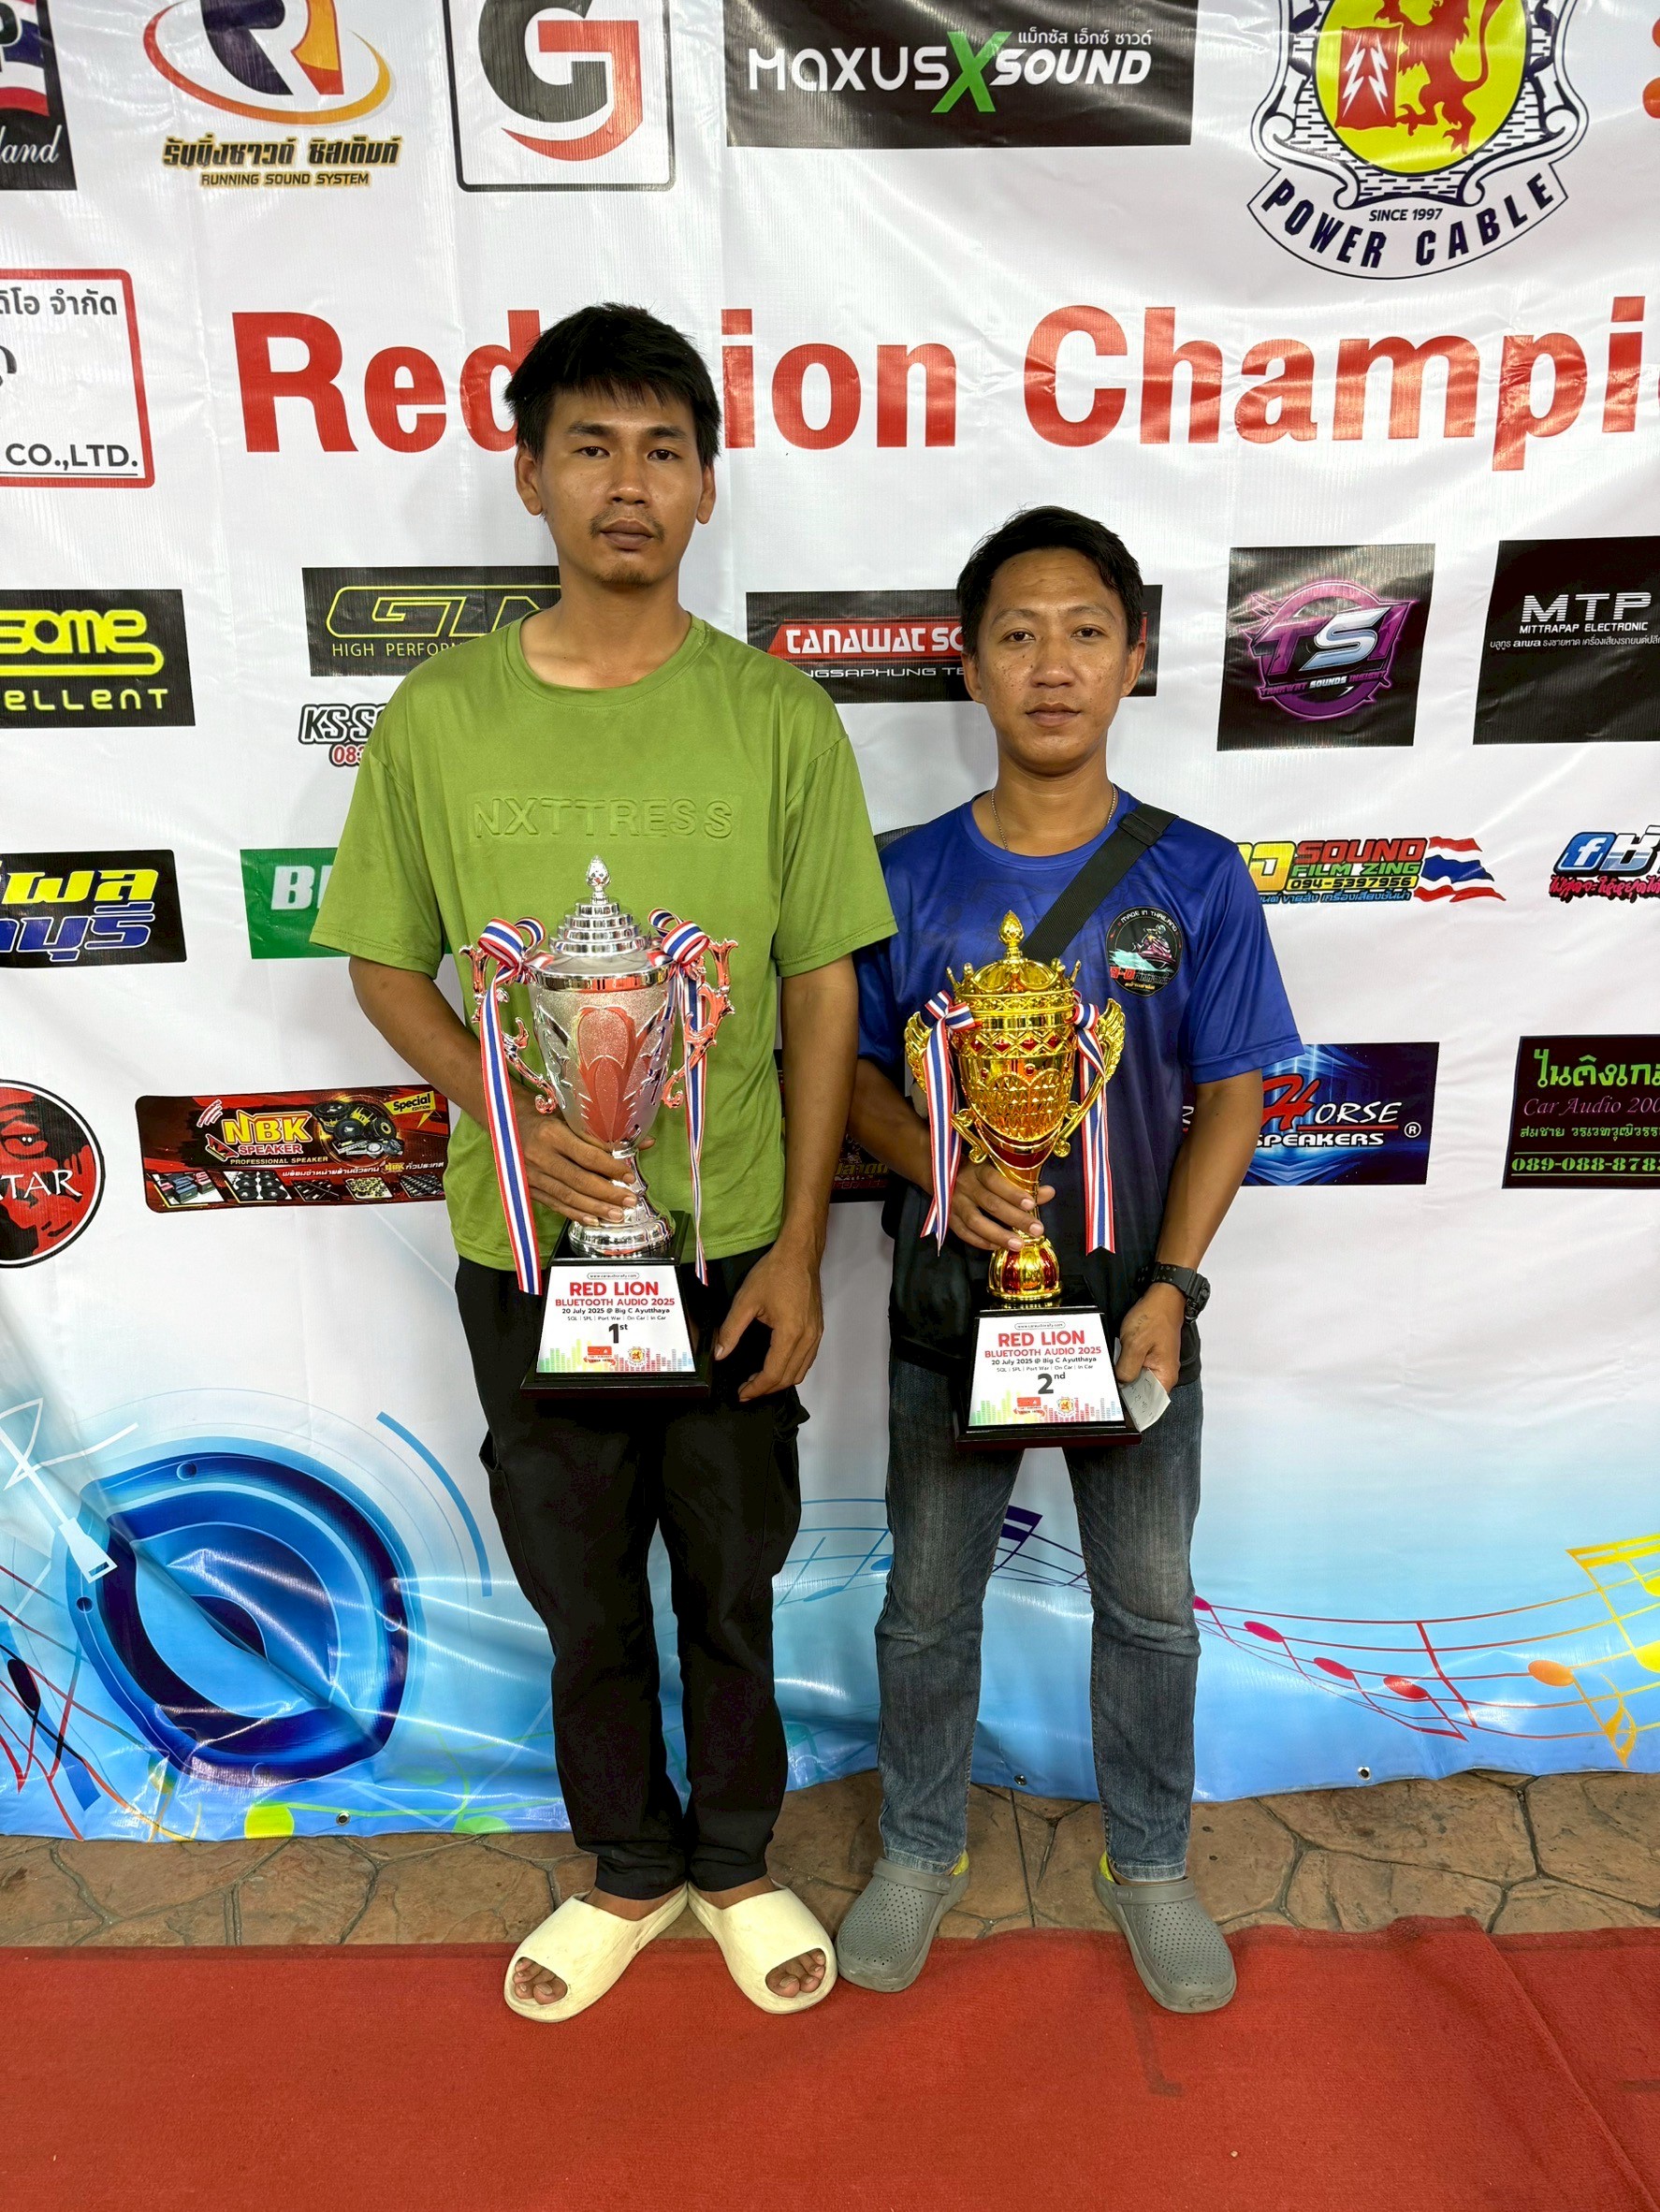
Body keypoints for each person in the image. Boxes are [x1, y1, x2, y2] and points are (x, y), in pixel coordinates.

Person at [313, 303, 894, 2022]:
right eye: (589, 447)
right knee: (580, 1588)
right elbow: (383, 966)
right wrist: (513, 1116)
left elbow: (822, 990)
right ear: (529, 476)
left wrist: (796, 1248)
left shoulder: (776, 716)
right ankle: (628, 1867)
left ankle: (736, 1859)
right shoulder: (438, 717)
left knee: (729, 1579)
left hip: (726, 1253)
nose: (625, 483)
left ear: (706, 486)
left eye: (661, 450)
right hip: (530, 1251)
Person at [836, 506, 1300, 2011]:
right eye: (1018, 635)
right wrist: (943, 1168)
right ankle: (918, 1849)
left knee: (1149, 1607)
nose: (1052, 665)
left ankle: (1148, 1864)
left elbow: (1233, 1090)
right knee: (925, 1605)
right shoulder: (900, 877)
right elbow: (846, 1074)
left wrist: (1174, 1285)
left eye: (1085, 632)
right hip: (952, 1306)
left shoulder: (1196, 876)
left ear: (1131, 658)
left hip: (1132, 1308)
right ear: (968, 665)